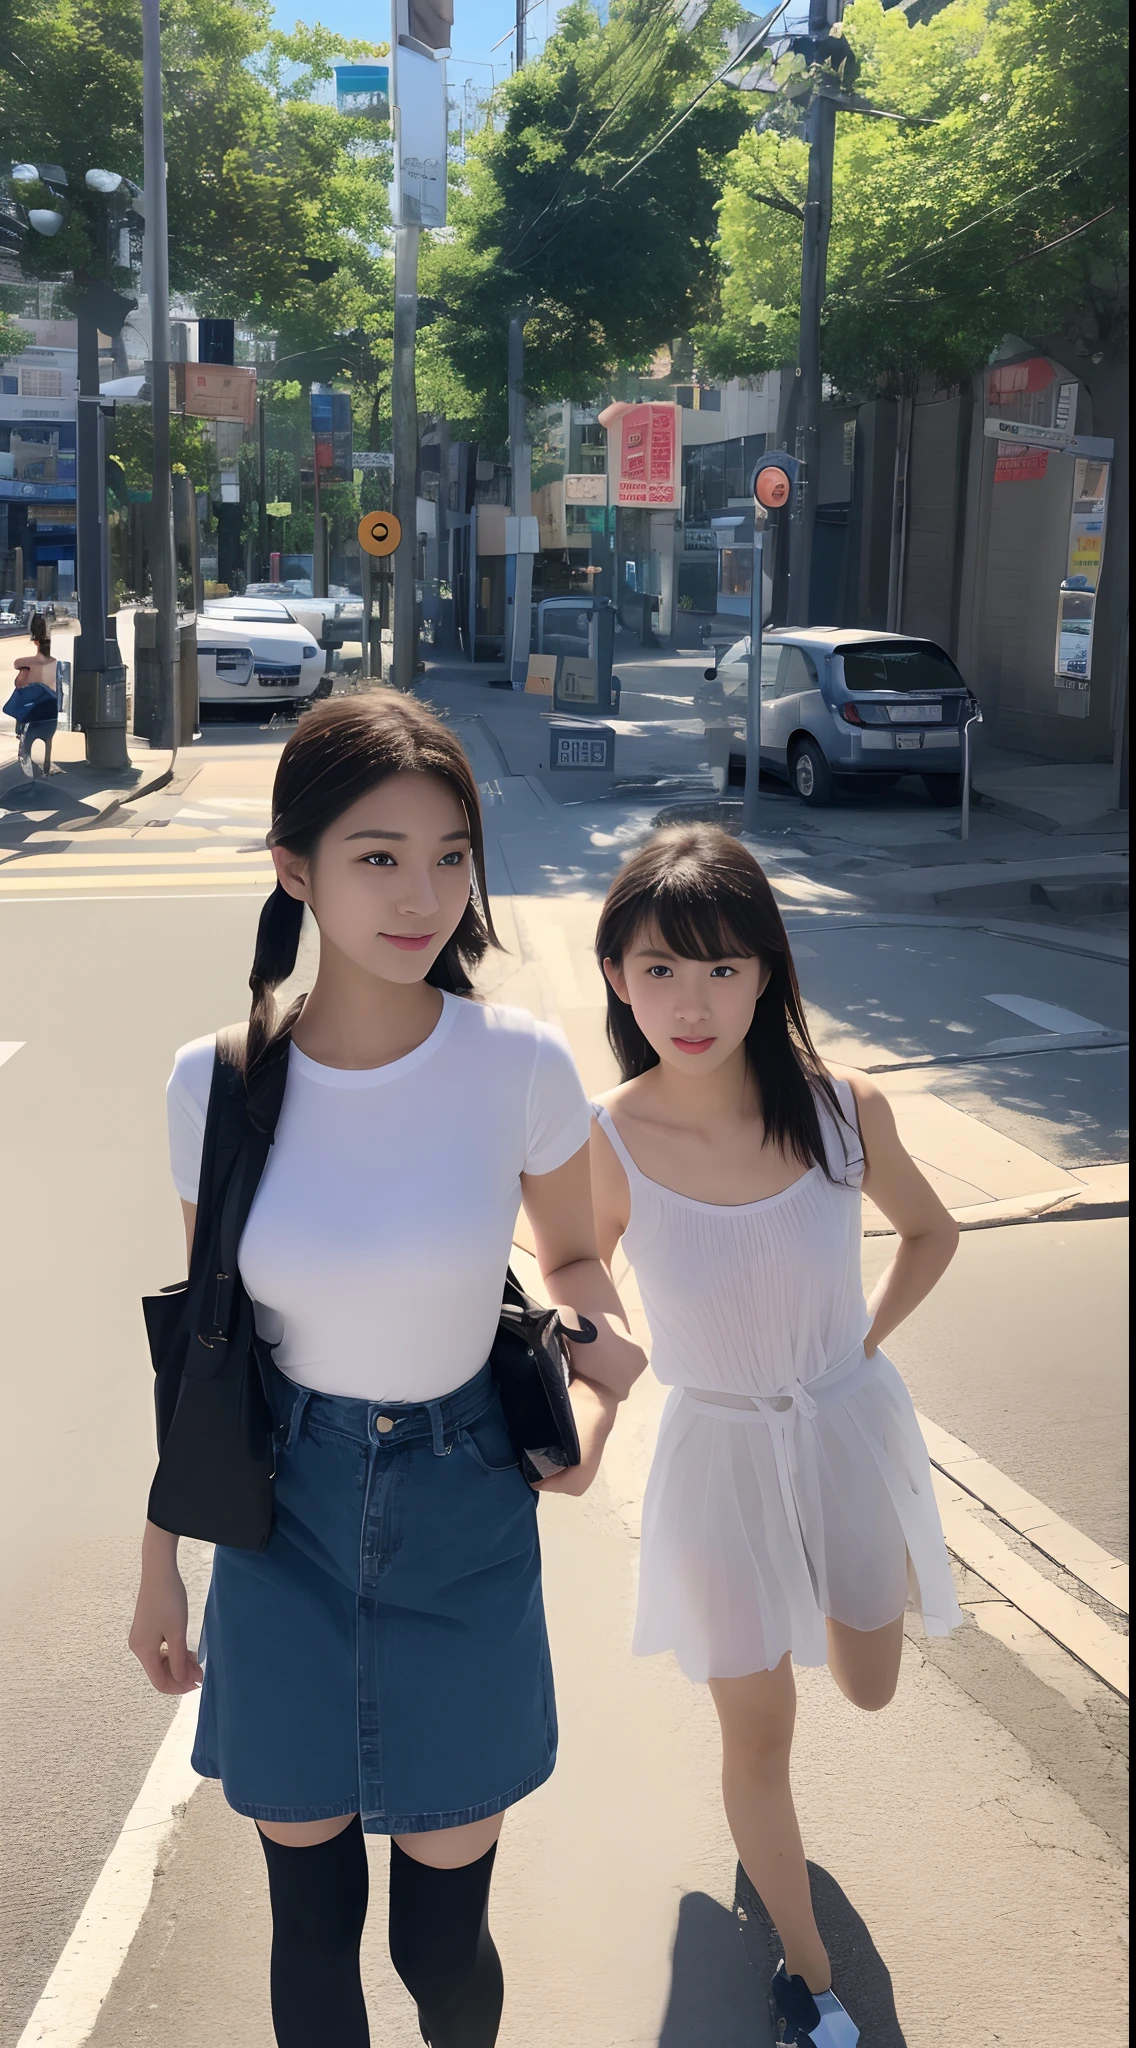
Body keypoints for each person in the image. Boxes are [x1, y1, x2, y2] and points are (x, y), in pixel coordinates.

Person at [129, 692, 645, 2048]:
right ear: (294, 869)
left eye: (450, 854)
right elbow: (206, 1349)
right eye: (378, 856)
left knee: (440, 1938)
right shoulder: (215, 1082)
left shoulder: (517, 1063)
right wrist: (158, 1562)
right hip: (282, 1524)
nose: (423, 895)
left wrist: (596, 1394)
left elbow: (577, 1267)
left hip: (463, 1508)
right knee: (310, 1927)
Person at [589, 825, 962, 2048]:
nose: (690, 1003)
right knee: (757, 1736)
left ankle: (853, 1596)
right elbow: (569, 1267)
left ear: (764, 971)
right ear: (616, 976)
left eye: (721, 967)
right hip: (716, 1459)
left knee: (867, 1683)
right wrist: (586, 1368)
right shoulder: (604, 1138)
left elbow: (931, 1231)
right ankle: (809, 1980)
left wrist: (856, 1342)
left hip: (843, 1427)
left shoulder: (842, 1109)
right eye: (659, 968)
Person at [8, 613, 59, 777]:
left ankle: (22, 742)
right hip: (51, 714)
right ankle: (46, 764)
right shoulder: (56, 664)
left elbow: (18, 680)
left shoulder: (27, 664)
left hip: (33, 715)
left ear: (36, 642)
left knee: (22, 693)